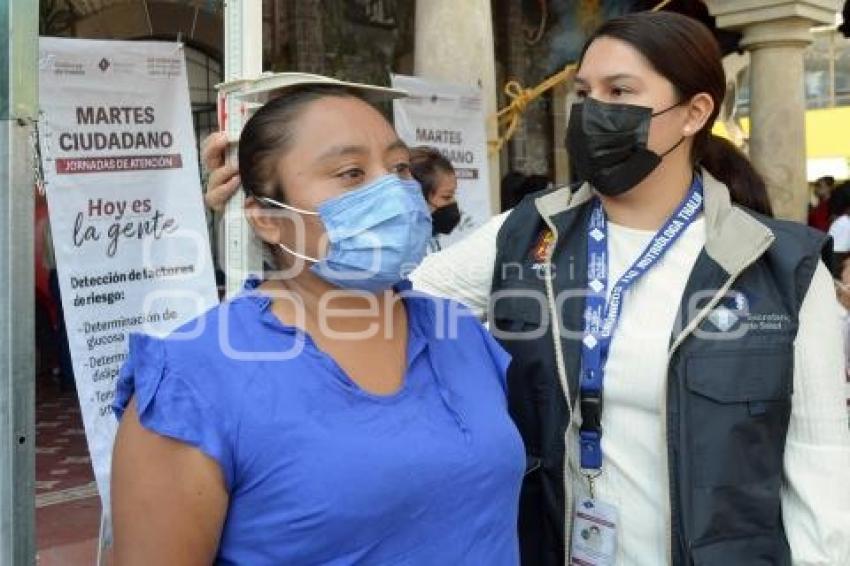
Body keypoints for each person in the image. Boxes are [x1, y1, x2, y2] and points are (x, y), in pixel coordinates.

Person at [200, 13, 850, 566]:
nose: (593, 110)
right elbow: (362, 303)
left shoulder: (779, 267)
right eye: (583, 91)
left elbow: (824, 475)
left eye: (620, 90)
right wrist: (272, 207)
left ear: (694, 112)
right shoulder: (525, 235)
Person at [111, 77, 525, 565]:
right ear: (267, 218)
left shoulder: (459, 333)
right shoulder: (194, 379)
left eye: (399, 168)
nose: (392, 191)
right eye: (351, 173)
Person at [409, 146, 462, 252]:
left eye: (453, 195)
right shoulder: (408, 248)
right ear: (418, 198)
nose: (453, 202)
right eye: (446, 197)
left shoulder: (430, 238)